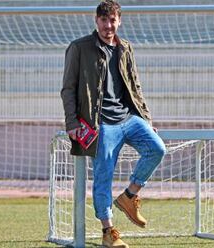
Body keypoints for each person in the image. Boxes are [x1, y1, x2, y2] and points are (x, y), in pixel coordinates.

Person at [60, 1, 166, 247]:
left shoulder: (125, 48)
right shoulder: (79, 48)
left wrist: (146, 119)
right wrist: (72, 122)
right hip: (101, 124)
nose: (109, 25)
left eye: (113, 20)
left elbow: (135, 85)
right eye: (104, 20)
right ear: (96, 21)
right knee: (103, 176)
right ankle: (108, 232)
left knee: (157, 149)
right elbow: (68, 89)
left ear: (119, 21)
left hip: (128, 118)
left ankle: (129, 196)